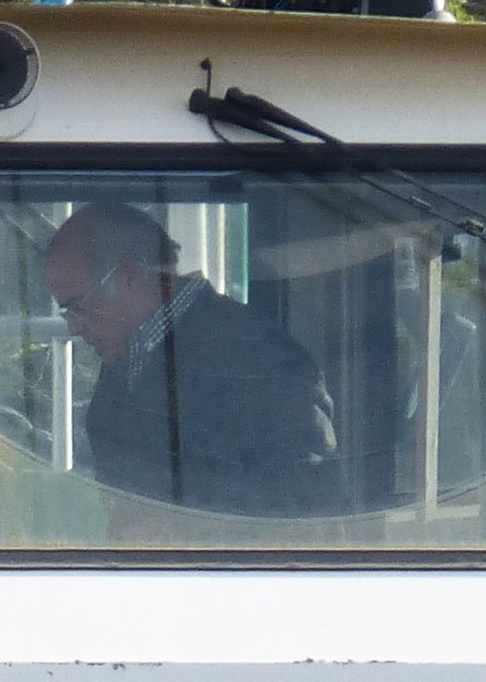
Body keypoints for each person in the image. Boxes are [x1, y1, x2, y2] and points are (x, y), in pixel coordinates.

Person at [38, 201, 336, 509]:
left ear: (127, 277)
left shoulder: (257, 357)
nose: (73, 327)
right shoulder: (129, 355)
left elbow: (306, 496)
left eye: (78, 307)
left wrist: (186, 529)